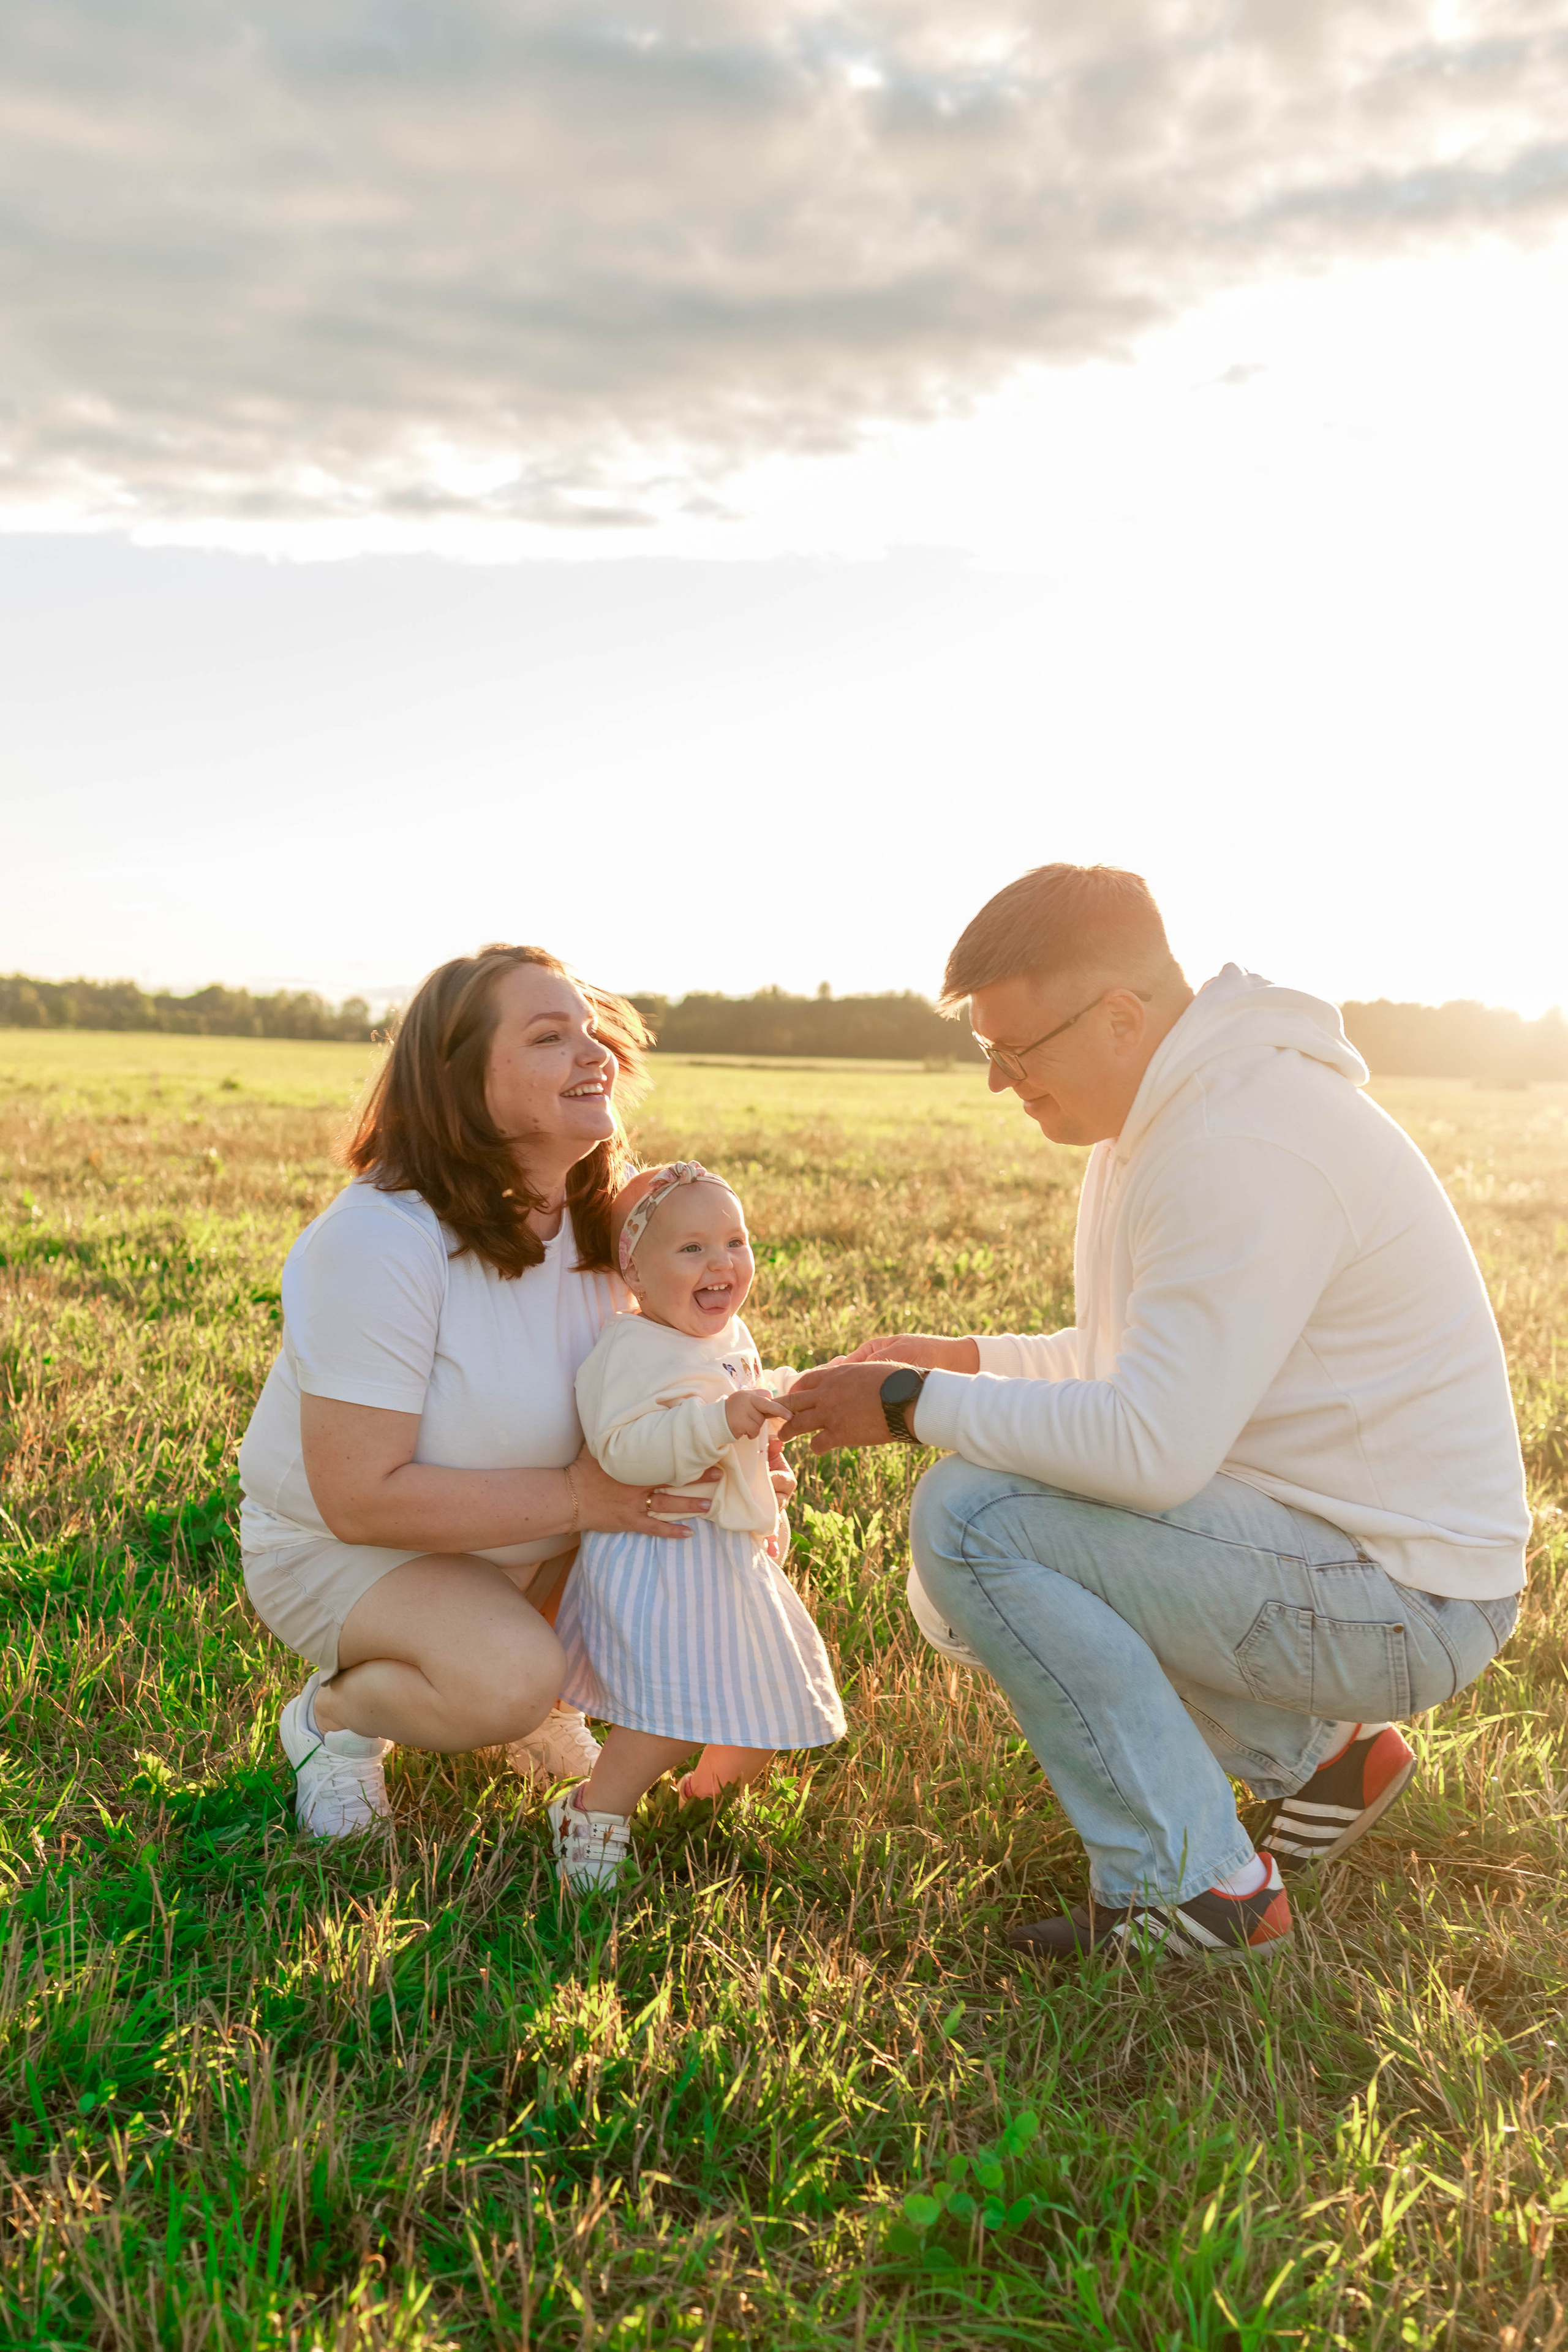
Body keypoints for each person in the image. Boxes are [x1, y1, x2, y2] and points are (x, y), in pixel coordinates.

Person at [783, 865, 1528, 1965]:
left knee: (977, 1521)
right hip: (1338, 1553)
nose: (999, 1083)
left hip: (1408, 1598)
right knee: (980, 1544)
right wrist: (966, 1361)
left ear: (1121, 1017)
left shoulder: (1237, 1136)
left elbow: (1151, 1446)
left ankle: (1198, 1891)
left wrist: (909, 1405)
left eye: (1014, 1052)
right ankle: (1319, 1756)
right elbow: (1125, 1367)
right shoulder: (1159, 1117)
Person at [238, 944, 792, 1837]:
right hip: (347, 1551)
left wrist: (734, 1463)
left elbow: (673, 1379)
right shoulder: (382, 1238)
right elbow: (357, 1498)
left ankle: (535, 1687)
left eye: (590, 1031)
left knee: (704, 1594)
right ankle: (334, 1723)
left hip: (539, 1534)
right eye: (548, 1037)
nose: (594, 1054)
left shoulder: (613, 1227)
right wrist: (582, 1497)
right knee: (506, 1680)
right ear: (460, 1081)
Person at [549, 1163, 846, 1890]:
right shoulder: (627, 1349)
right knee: (669, 1713)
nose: (722, 1263)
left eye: (736, 1242)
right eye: (692, 1249)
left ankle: (698, 1804)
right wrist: (720, 1423)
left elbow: (736, 1409)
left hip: (727, 1557)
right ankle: (593, 1812)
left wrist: (766, 1446)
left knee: (761, 1714)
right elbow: (623, 1448)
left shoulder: (727, 1334)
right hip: (662, 1555)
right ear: (635, 1274)